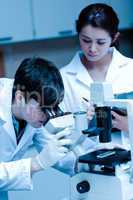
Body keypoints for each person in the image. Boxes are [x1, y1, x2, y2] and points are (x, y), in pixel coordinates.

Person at [0, 58, 74, 200]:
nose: (47, 116)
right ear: (20, 97)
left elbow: (53, 151)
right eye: (43, 109)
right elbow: (42, 159)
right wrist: (36, 163)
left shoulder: (32, 113)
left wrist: (87, 165)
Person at [60, 3, 133, 134]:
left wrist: (129, 126)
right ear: (78, 35)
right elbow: (60, 136)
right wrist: (83, 123)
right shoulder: (64, 78)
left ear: (114, 38)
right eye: (86, 40)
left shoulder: (130, 69)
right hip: (86, 153)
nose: (92, 49)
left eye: (100, 42)